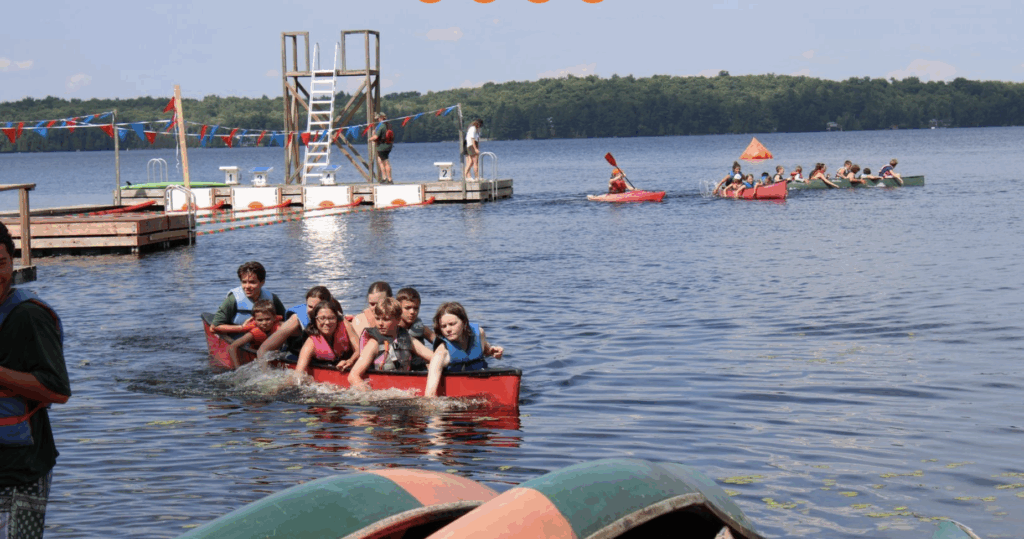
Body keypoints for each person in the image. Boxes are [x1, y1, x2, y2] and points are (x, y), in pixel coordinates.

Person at [0, 222, 71, 537]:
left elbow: (57, 390)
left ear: (12, 261)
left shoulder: (29, 316)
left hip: (22, 466)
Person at [348, 298, 435, 390]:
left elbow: (433, 357)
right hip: (381, 390)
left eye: (386, 319)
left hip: (403, 388)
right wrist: (369, 393)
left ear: (398, 319)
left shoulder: (407, 339)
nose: (380, 323)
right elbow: (353, 376)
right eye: (377, 319)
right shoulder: (373, 344)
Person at [425, 302, 503, 398]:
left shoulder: (480, 333)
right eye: (443, 326)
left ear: (464, 322)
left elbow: (483, 350)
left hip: (481, 388)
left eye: (452, 324)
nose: (448, 329)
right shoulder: (441, 353)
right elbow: (429, 394)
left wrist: (491, 351)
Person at [291, 299, 359, 384]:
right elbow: (299, 373)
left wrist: (350, 361)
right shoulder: (311, 343)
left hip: (346, 361)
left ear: (337, 319)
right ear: (315, 320)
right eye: (322, 318)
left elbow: (359, 349)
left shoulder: (345, 326)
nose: (327, 322)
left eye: (331, 318)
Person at [211, 261, 286, 334]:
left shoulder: (272, 298)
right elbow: (214, 327)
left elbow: (287, 320)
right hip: (239, 340)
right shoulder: (233, 299)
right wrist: (242, 328)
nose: (247, 287)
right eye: (244, 282)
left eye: (252, 282)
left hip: (267, 341)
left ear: (262, 282)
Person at [257, 286, 333, 358]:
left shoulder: (335, 317)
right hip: (293, 356)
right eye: (310, 306)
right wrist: (264, 371)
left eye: (317, 307)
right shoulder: (296, 320)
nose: (313, 311)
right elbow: (263, 349)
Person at [228, 299, 282, 368]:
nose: (264, 323)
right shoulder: (253, 333)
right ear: (254, 320)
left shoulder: (280, 328)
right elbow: (232, 347)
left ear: (274, 318)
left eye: (267, 319)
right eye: (260, 320)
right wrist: (238, 368)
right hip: (256, 351)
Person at [396, 287, 436, 370]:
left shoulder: (421, 328)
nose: (412, 312)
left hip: (420, 368)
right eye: (407, 308)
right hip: (402, 370)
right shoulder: (393, 329)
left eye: (416, 308)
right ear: (398, 308)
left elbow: (439, 342)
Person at [371, 112, 394, 184]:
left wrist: (370, 139)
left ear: (381, 118)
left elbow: (376, 136)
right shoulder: (388, 125)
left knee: (385, 162)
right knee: (380, 161)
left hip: (382, 147)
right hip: (388, 145)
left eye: (378, 118)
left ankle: (389, 179)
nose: (377, 119)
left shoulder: (381, 126)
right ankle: (384, 178)